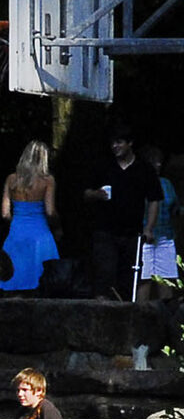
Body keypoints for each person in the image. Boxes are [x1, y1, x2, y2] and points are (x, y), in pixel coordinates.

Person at [81, 124, 160, 300]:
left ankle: (124, 313)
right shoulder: (104, 166)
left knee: (129, 277)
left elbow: (155, 199)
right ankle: (102, 312)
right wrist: (96, 194)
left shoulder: (144, 169)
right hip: (105, 230)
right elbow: (85, 193)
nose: (115, 146)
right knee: (104, 273)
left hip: (132, 233)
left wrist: (149, 227)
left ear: (129, 143)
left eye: (119, 142)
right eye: (113, 143)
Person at [0, 140, 58, 292]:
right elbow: (50, 211)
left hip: (16, 232)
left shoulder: (11, 179)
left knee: (14, 277)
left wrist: (18, 222)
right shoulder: (47, 180)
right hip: (40, 233)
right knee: (42, 280)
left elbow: (5, 214)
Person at [137, 144, 177, 303]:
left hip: (165, 236)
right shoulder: (137, 183)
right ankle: (140, 318)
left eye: (159, 161)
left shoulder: (166, 183)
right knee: (144, 279)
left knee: (165, 280)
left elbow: (174, 208)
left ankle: (166, 320)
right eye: (153, 161)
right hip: (144, 239)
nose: (158, 165)